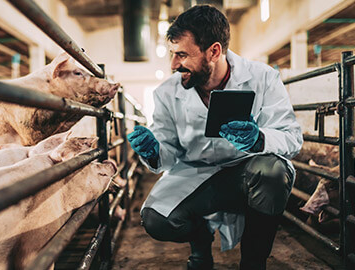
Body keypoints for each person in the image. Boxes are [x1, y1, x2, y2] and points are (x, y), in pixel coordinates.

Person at [127, 5, 303, 270]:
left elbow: (292, 138)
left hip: (248, 174)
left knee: (274, 172)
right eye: (173, 54)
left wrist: (259, 139)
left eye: (182, 55)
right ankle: (200, 243)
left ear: (214, 51)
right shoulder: (166, 93)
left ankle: (253, 263)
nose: (174, 65)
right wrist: (153, 151)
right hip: (195, 176)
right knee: (156, 219)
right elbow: (167, 152)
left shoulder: (262, 78)